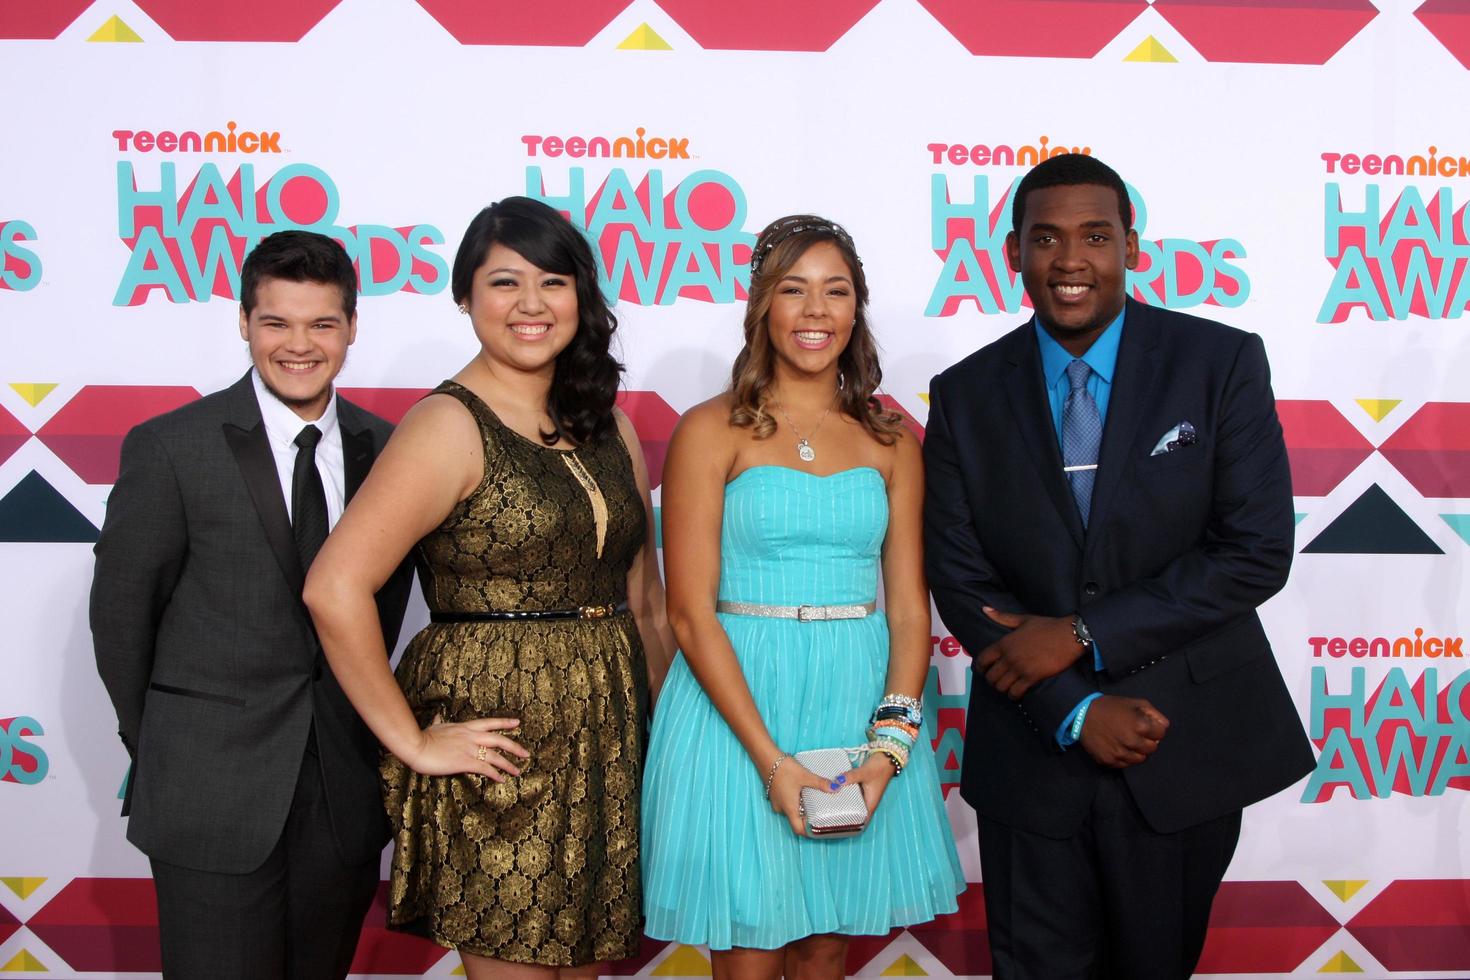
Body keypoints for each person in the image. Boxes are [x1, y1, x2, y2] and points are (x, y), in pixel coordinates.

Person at [923, 153, 1315, 979]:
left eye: (1095, 236)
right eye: (1047, 239)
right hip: (1033, 751)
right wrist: (1071, 706)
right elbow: (962, 578)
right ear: (1013, 253)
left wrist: (1081, 634)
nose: (1071, 260)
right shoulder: (963, 391)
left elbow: (1254, 552)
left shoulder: (1220, 363)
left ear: (1132, 246)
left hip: (1181, 746)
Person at [302, 196, 675, 979]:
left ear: (582, 296)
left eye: (553, 281)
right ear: (465, 297)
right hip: (501, 749)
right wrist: (410, 740)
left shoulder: (607, 424)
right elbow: (334, 587)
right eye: (504, 283)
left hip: (609, 739)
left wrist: (668, 747)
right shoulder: (446, 424)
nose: (532, 305)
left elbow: (646, 601)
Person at [642, 215, 965, 980]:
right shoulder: (710, 429)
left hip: (854, 704)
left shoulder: (890, 438)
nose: (815, 311)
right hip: (736, 706)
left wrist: (888, 750)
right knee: (751, 948)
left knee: (827, 946)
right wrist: (770, 760)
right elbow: (689, 610)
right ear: (763, 307)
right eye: (794, 289)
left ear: (857, 309)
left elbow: (912, 611)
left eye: (836, 290)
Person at [90, 230, 414, 979]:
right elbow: (120, 619)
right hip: (208, 792)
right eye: (276, 322)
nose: (299, 345)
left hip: (342, 795)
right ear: (244, 322)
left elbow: (384, 608)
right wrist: (169, 746)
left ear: (353, 327)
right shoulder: (171, 447)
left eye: (322, 324)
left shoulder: (391, 450)